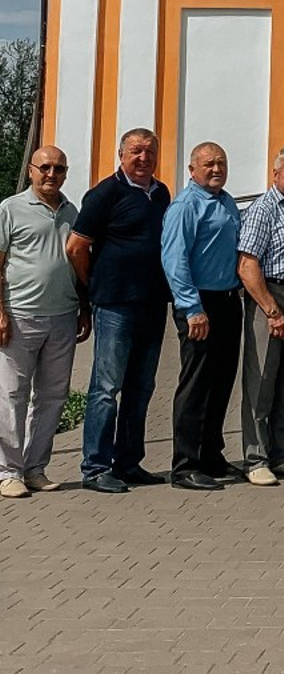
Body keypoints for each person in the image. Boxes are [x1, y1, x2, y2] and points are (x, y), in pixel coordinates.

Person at [67, 128, 171, 494]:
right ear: (121, 154)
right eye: (136, 152)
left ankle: (128, 462)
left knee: (141, 387)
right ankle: (95, 467)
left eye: (150, 152)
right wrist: (95, 283)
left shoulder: (161, 193)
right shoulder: (104, 193)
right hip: (115, 305)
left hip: (152, 303)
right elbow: (76, 246)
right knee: (106, 388)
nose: (143, 159)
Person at [0, 147, 87, 498]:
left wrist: (84, 308)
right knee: (11, 395)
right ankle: (8, 471)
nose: (52, 174)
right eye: (45, 167)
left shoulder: (72, 211)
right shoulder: (10, 208)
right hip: (19, 316)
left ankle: (36, 468)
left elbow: (78, 263)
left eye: (59, 168)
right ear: (32, 170)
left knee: (52, 396)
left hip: (62, 317)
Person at [160, 142, 242, 491]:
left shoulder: (226, 201)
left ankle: (211, 454)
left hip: (227, 301)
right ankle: (185, 464)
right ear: (192, 169)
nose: (216, 169)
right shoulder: (185, 206)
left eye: (221, 163)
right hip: (199, 302)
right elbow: (174, 260)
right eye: (208, 164)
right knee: (196, 384)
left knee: (222, 381)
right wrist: (192, 308)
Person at [237, 144, 284, 486]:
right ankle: (255, 457)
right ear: (275, 174)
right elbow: (247, 264)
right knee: (262, 380)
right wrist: (271, 310)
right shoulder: (263, 210)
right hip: (269, 296)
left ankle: (280, 453)